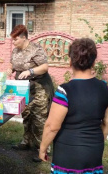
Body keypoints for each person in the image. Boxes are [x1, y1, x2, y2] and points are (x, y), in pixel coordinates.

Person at [39, 38, 108, 173]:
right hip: (94, 152)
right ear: (93, 62)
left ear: (70, 61)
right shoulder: (104, 88)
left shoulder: (64, 91)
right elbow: (106, 123)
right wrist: (96, 143)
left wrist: (42, 148)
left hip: (67, 155)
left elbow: (52, 127)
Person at [7, 25, 54, 162]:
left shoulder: (35, 49)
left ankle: (43, 149)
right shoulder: (16, 51)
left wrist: (31, 71)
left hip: (39, 87)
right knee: (26, 115)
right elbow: (12, 64)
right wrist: (9, 70)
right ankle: (26, 142)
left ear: (23, 38)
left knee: (39, 119)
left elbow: (45, 67)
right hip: (23, 88)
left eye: (15, 39)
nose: (13, 42)